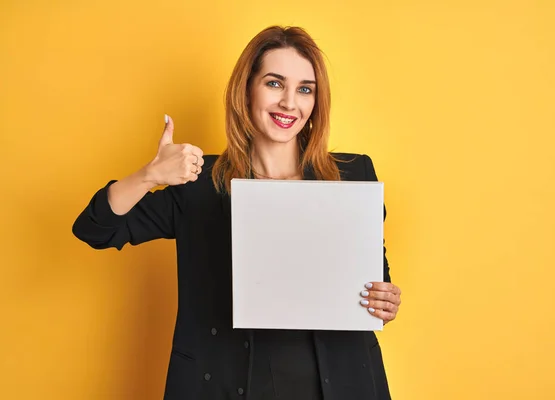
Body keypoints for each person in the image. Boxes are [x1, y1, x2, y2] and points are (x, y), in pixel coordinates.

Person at [72, 25, 401, 400]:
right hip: (229, 384)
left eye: (305, 89)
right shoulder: (197, 185)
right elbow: (95, 229)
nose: (290, 103)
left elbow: (376, 281)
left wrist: (385, 301)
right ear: (247, 90)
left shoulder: (352, 175)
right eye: (275, 84)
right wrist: (150, 176)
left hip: (336, 383)